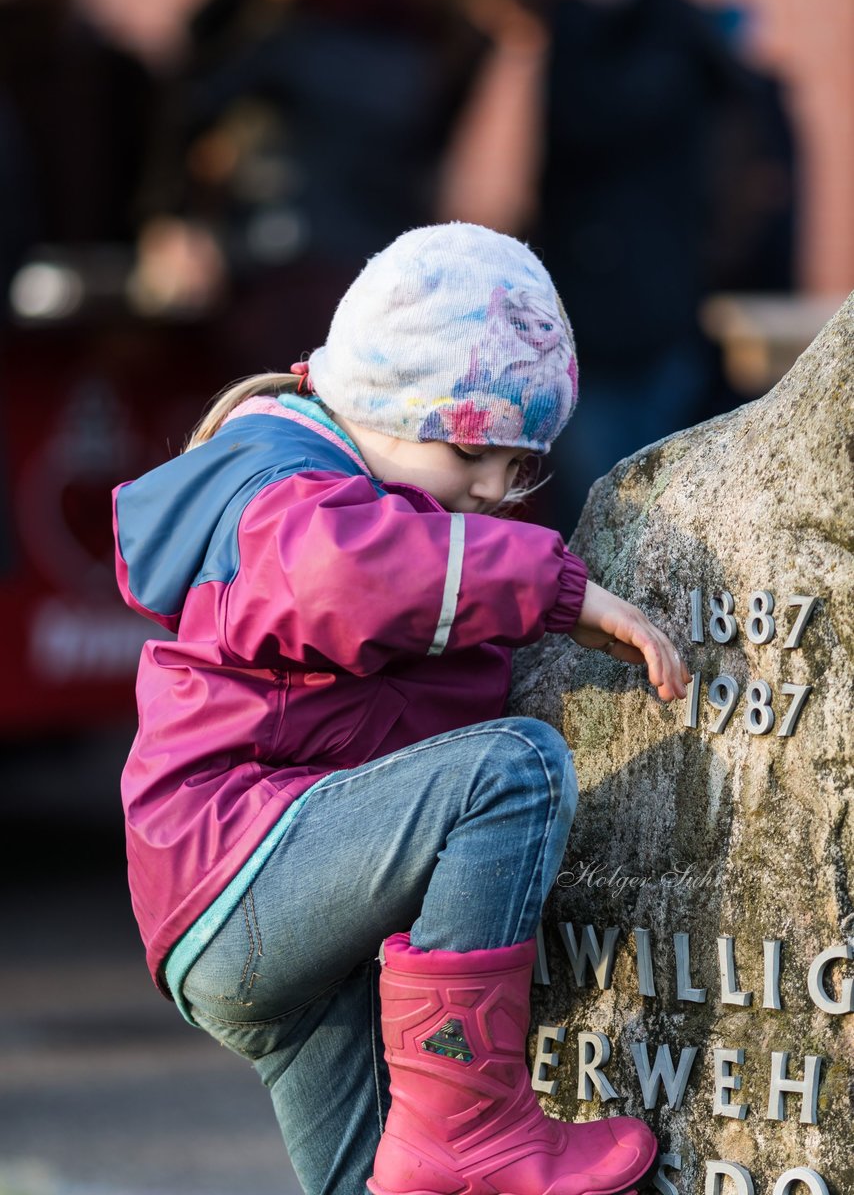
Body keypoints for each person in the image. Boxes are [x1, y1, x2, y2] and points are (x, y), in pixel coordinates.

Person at [113, 222, 689, 1195]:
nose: (493, 493)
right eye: (476, 457)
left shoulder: (355, 487)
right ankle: (472, 1120)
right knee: (511, 769)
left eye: (517, 470)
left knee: (377, 1178)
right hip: (247, 869)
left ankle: (447, 1144)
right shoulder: (280, 486)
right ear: (395, 408)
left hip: (277, 932)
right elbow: (341, 574)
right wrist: (555, 591)